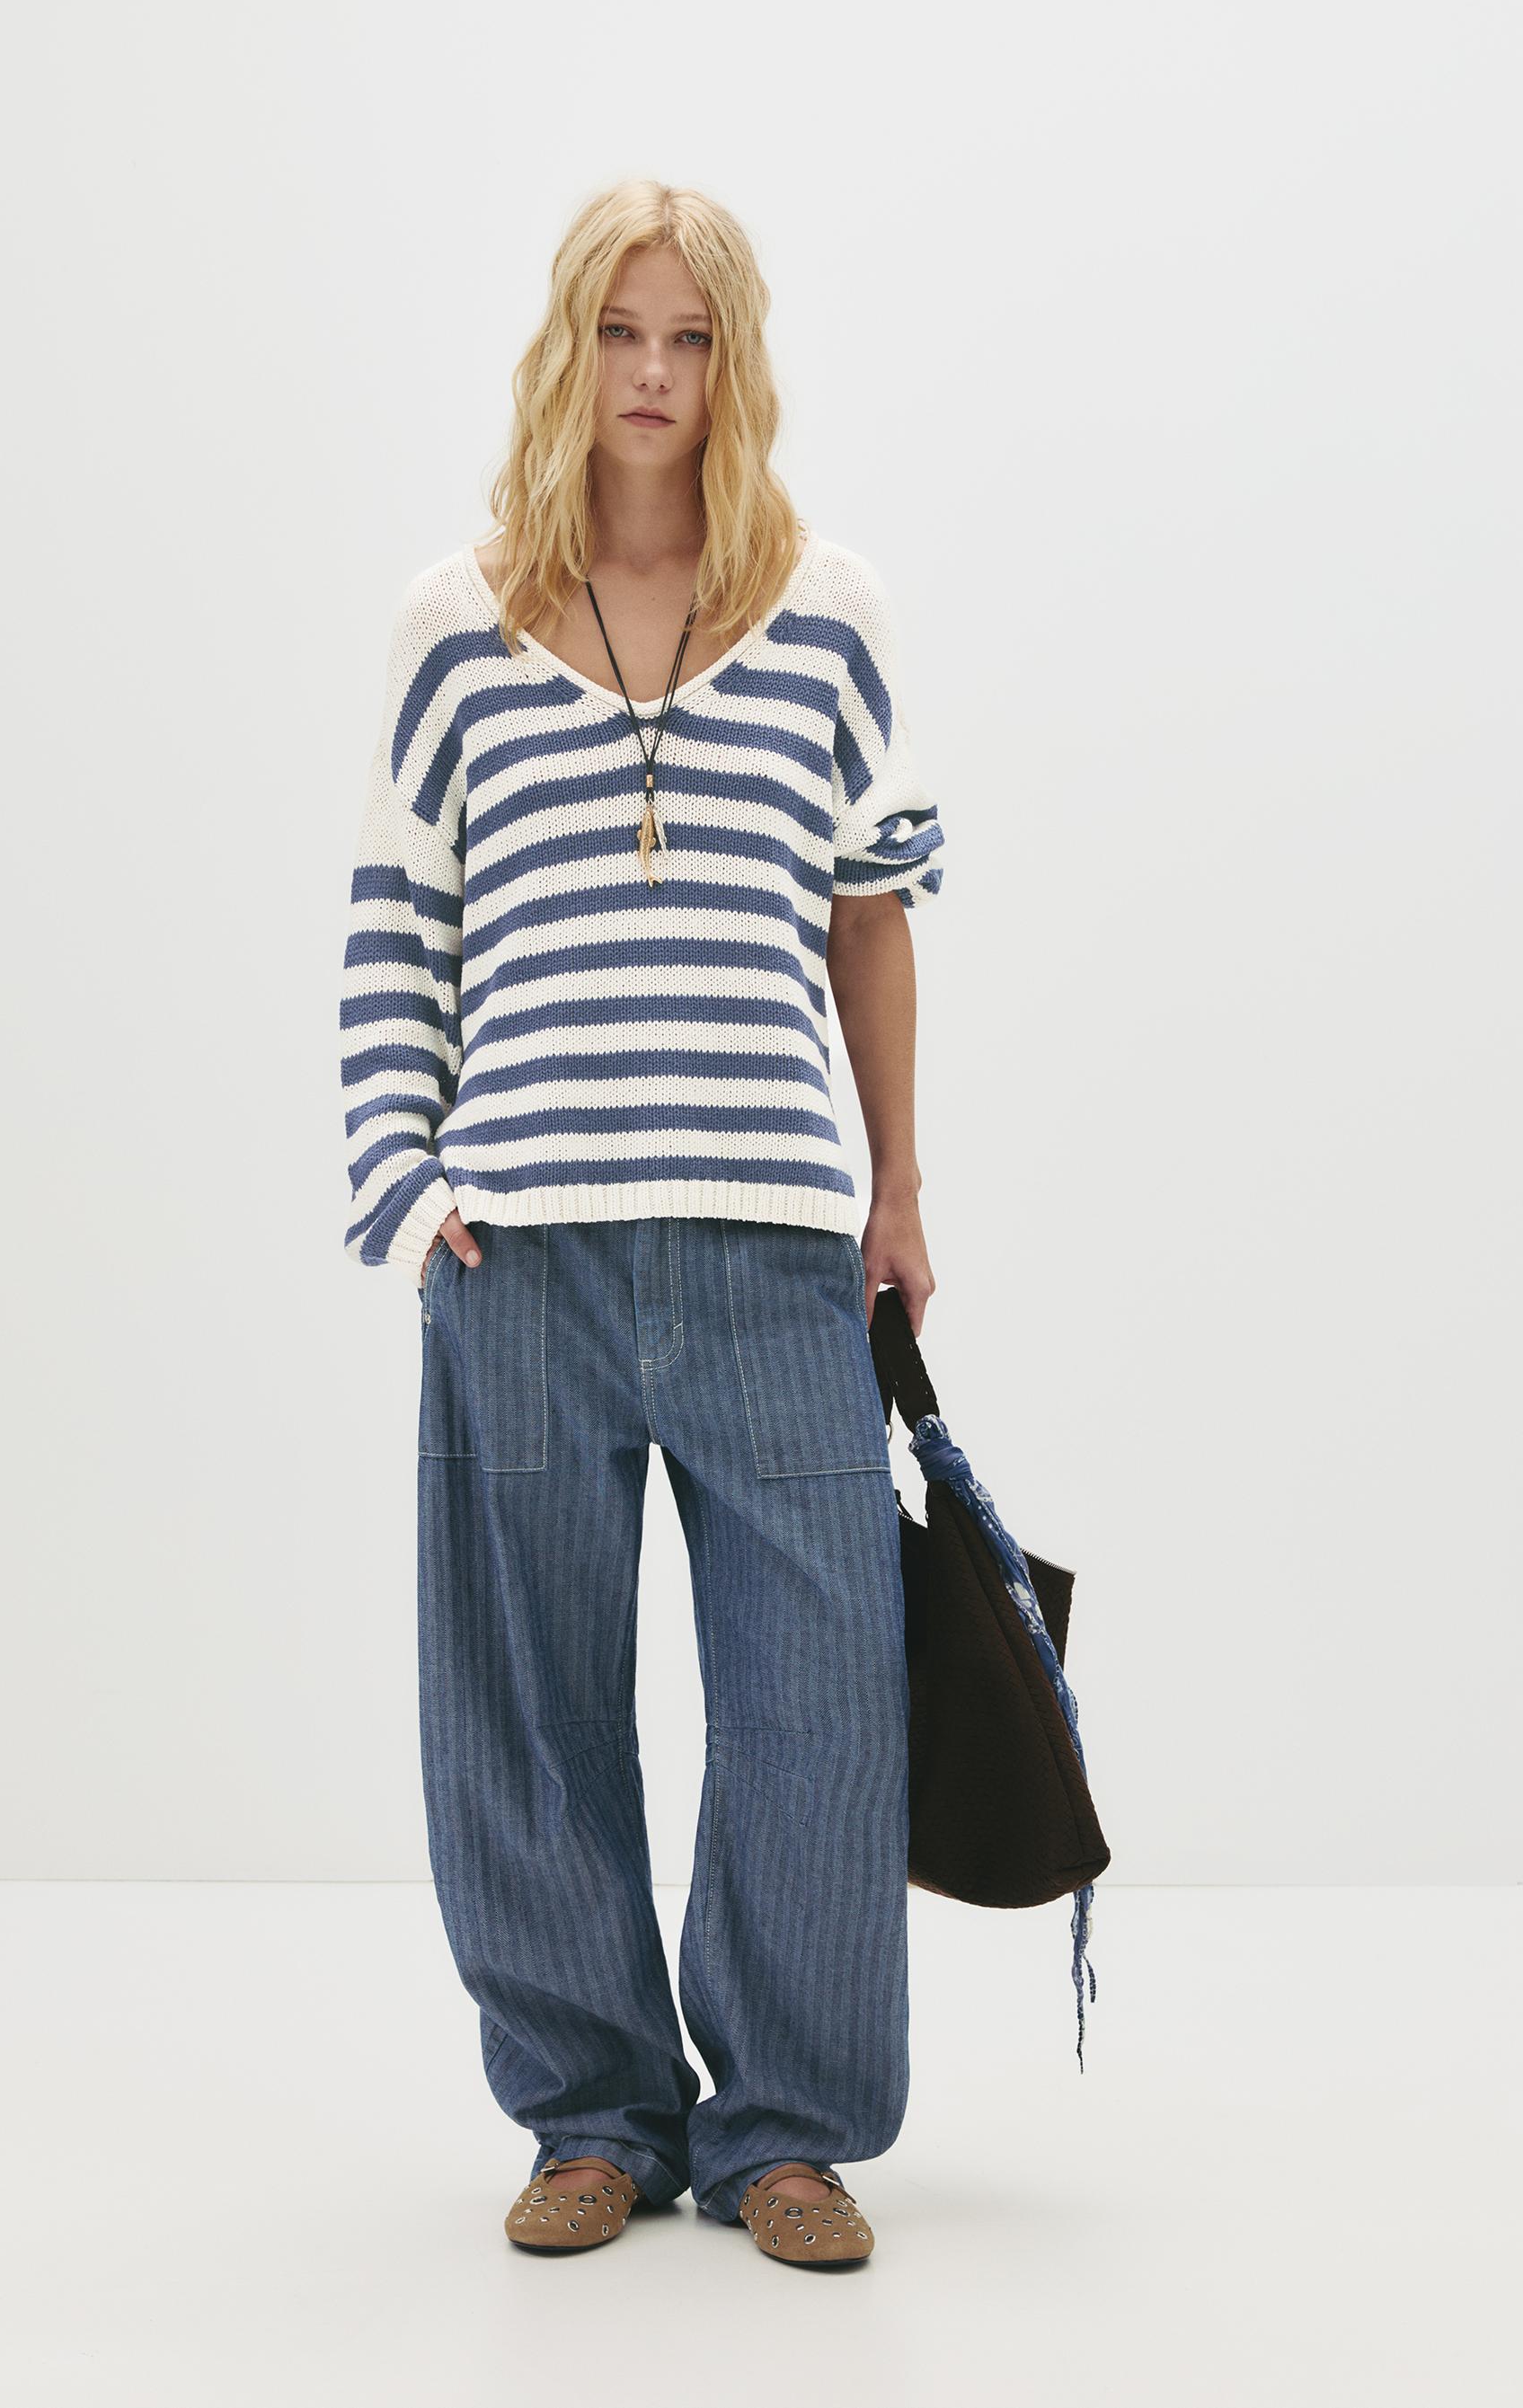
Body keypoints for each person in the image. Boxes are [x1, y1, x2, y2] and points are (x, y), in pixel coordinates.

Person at [338, 180, 944, 2268]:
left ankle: (786, 2129)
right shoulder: (458, 622)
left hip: (775, 1251)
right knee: (526, 1708)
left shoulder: (829, 610)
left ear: (736, 361)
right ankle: (591, 2115)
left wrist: (900, 1183)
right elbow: (397, 923)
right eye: (621, 332)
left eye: (692, 338)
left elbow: (873, 911)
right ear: (568, 348)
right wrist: (408, 1180)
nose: (656, 375)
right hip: (522, 1257)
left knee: (819, 1703)